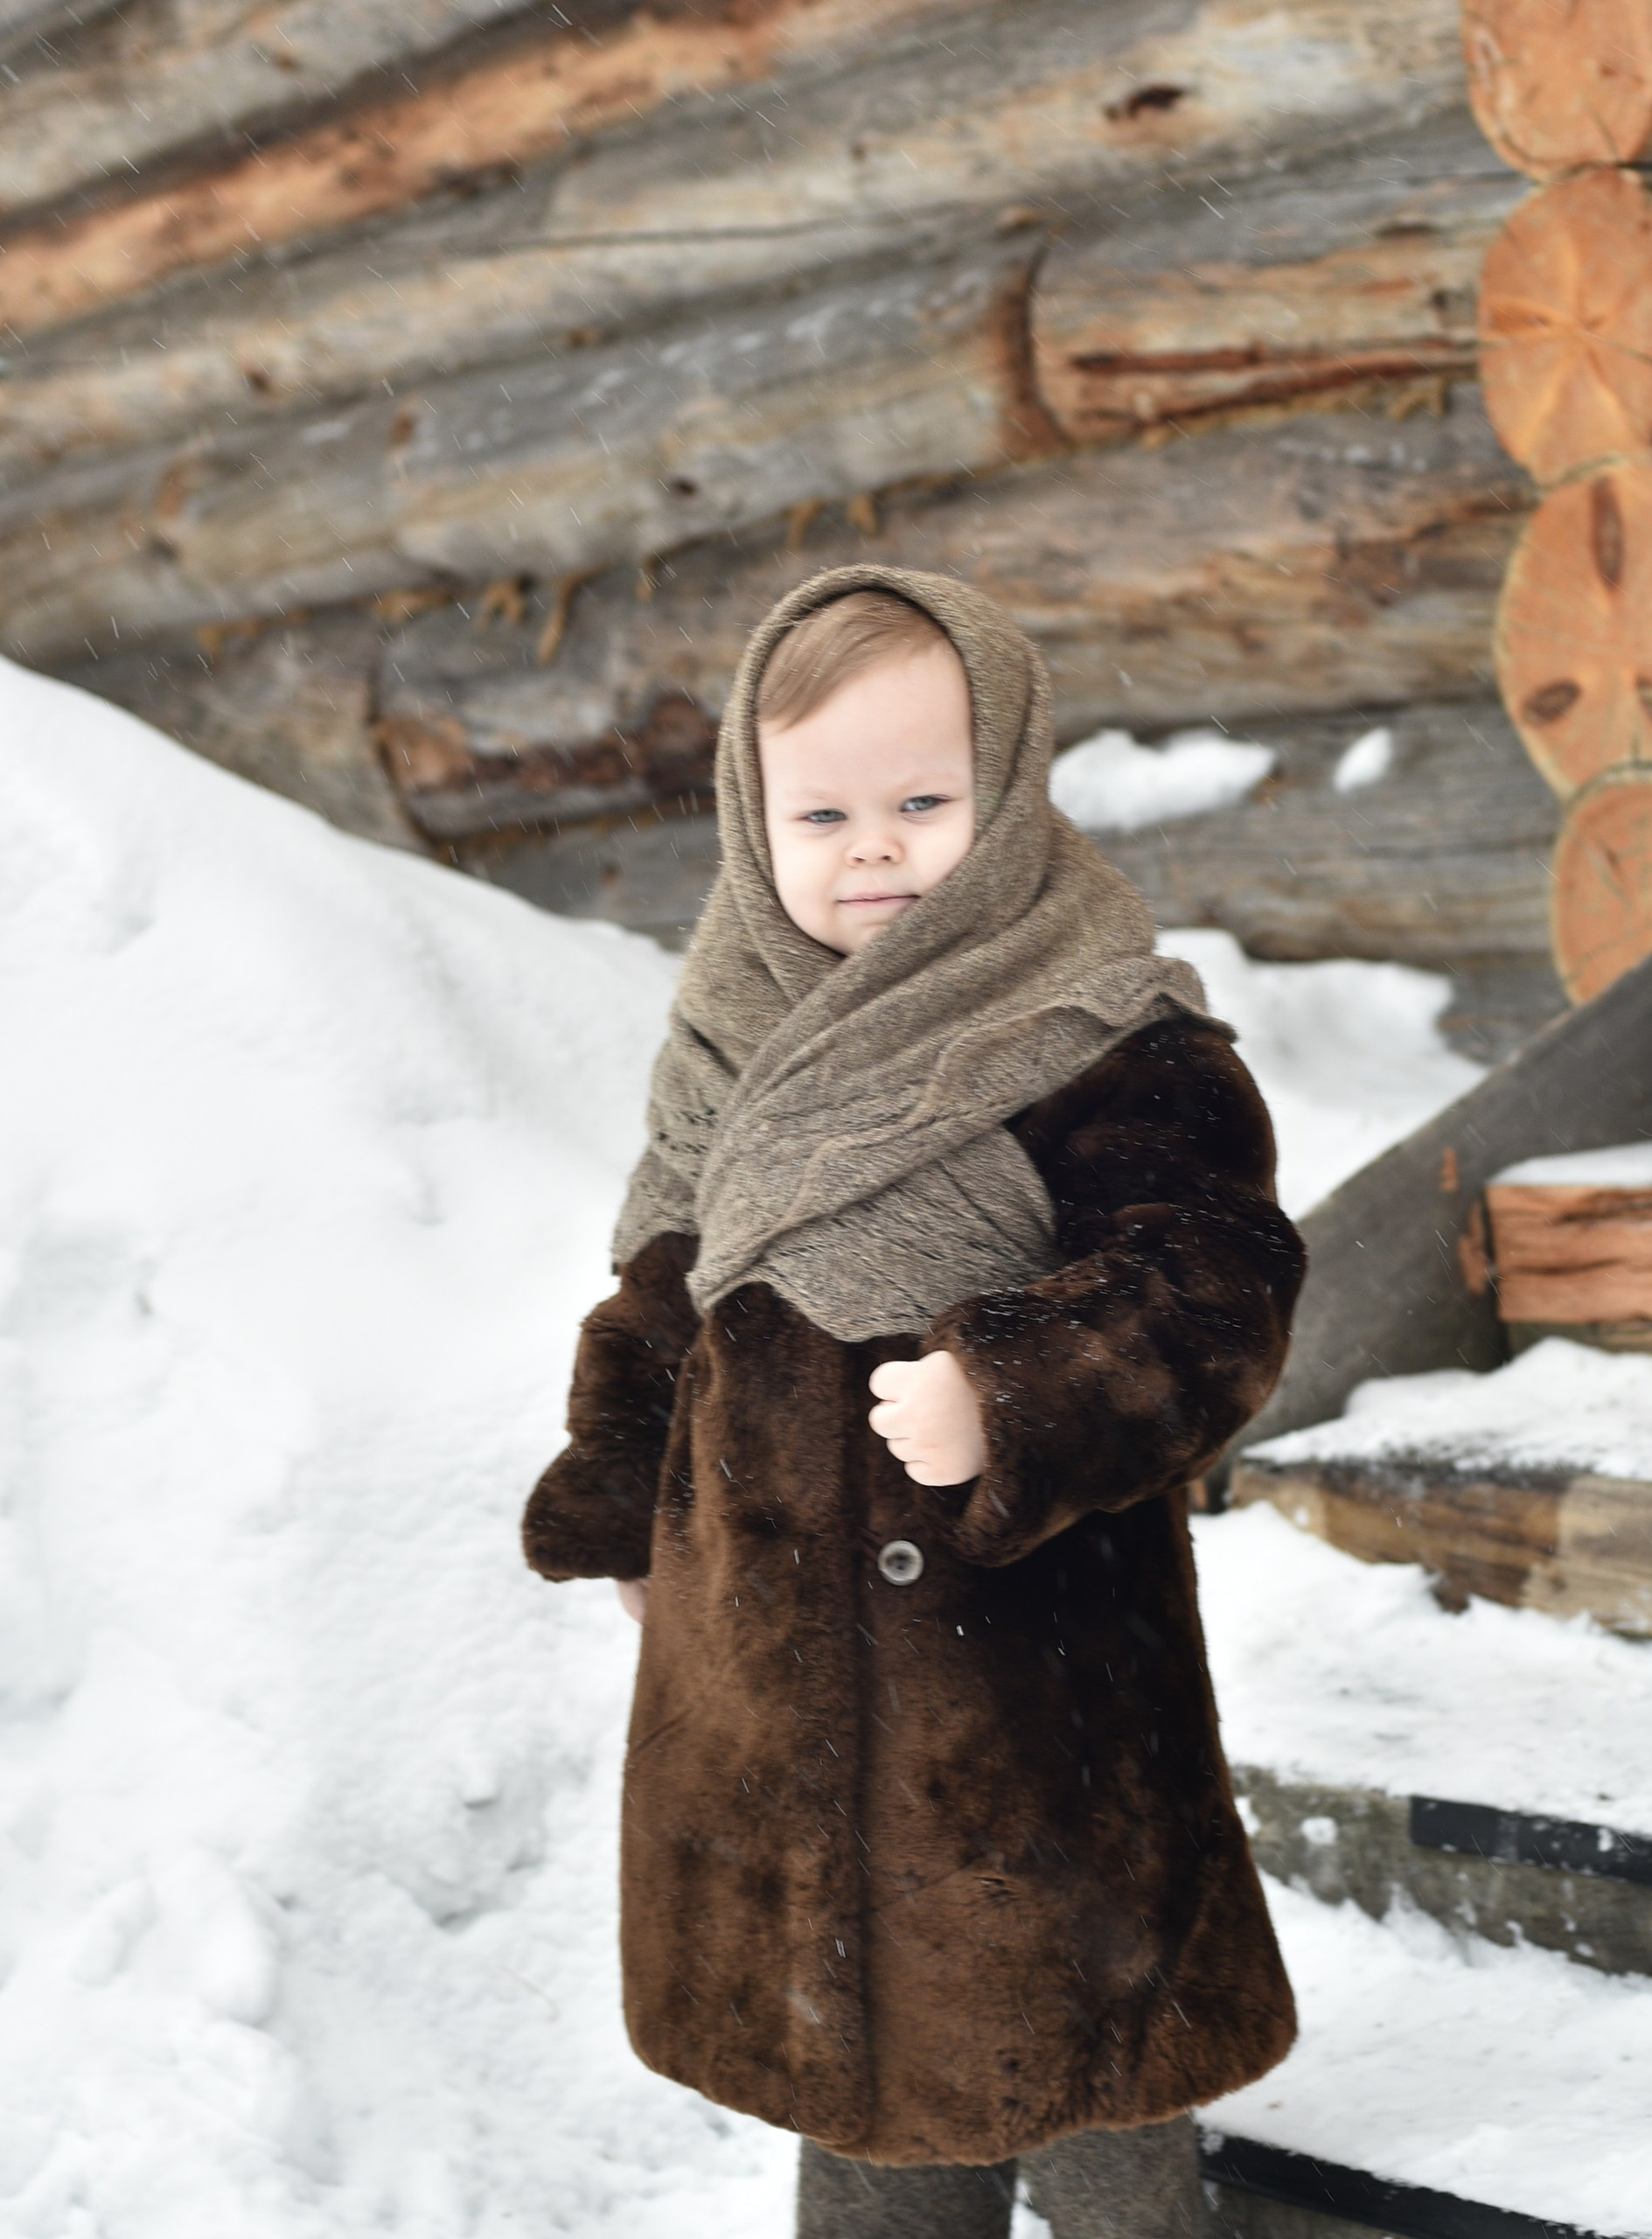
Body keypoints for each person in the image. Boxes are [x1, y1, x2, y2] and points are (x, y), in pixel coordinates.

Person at [522, 565, 1304, 2239]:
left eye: (922, 801)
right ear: (752, 815)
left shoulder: (1101, 1029)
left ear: (1010, 792)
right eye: (822, 812)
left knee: (1087, 2060)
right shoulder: (737, 1033)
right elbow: (669, 1285)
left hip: (1034, 1695)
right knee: (855, 2068)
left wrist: (1020, 1393)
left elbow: (1213, 1284)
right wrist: (621, 1493)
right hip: (772, 1670)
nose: (870, 848)